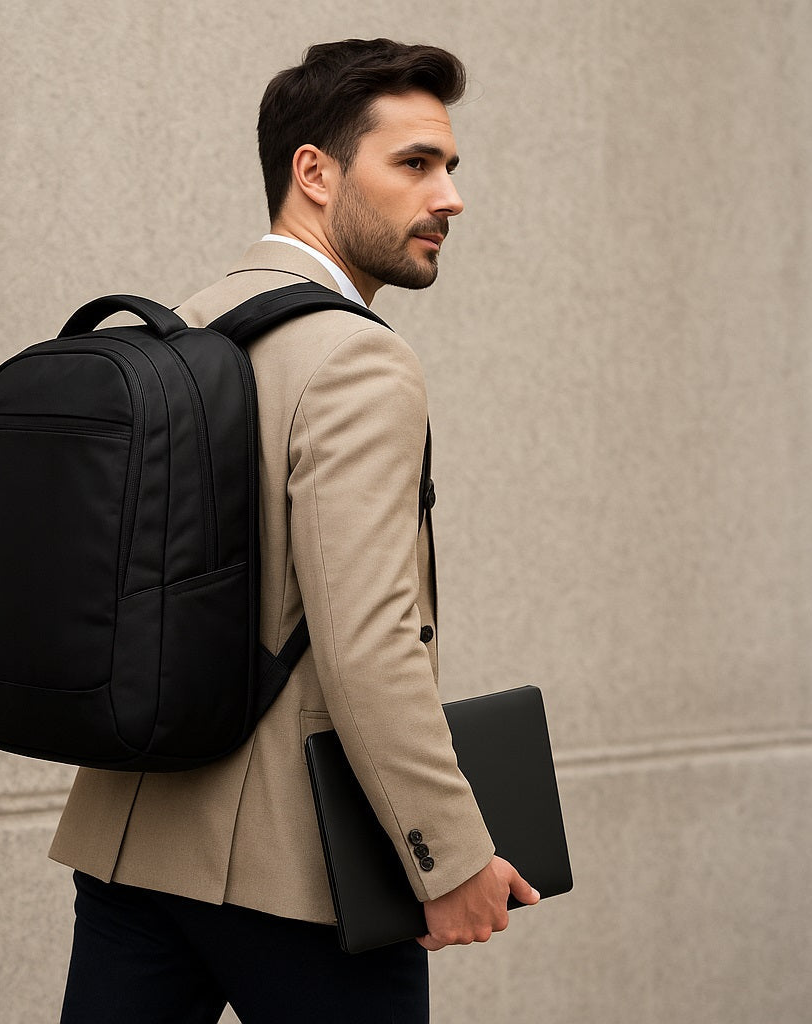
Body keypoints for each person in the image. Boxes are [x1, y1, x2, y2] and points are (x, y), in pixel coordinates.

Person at [51, 37, 539, 1023]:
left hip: (130, 839)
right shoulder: (356, 362)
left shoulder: (179, 331)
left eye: (449, 167)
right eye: (414, 164)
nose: (448, 196)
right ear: (311, 171)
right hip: (295, 873)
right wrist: (442, 854)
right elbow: (367, 640)